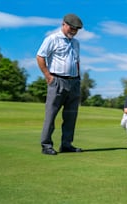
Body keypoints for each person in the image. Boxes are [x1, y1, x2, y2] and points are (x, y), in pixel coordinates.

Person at [36, 14, 83, 155]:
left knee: (71, 116)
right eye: (72, 27)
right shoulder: (52, 39)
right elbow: (40, 56)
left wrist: (78, 78)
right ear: (63, 24)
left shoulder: (76, 43)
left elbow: (76, 61)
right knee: (51, 115)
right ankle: (46, 145)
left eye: (76, 29)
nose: (73, 31)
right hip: (57, 81)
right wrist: (48, 76)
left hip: (74, 82)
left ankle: (66, 144)